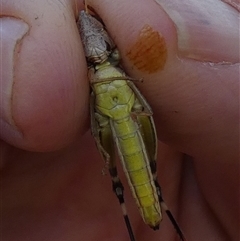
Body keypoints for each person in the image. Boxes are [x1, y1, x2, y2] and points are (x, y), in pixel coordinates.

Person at [1, 0, 239, 240]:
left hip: (130, 113)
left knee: (150, 161)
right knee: (116, 174)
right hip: (109, 116)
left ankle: (159, 198)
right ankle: (134, 203)